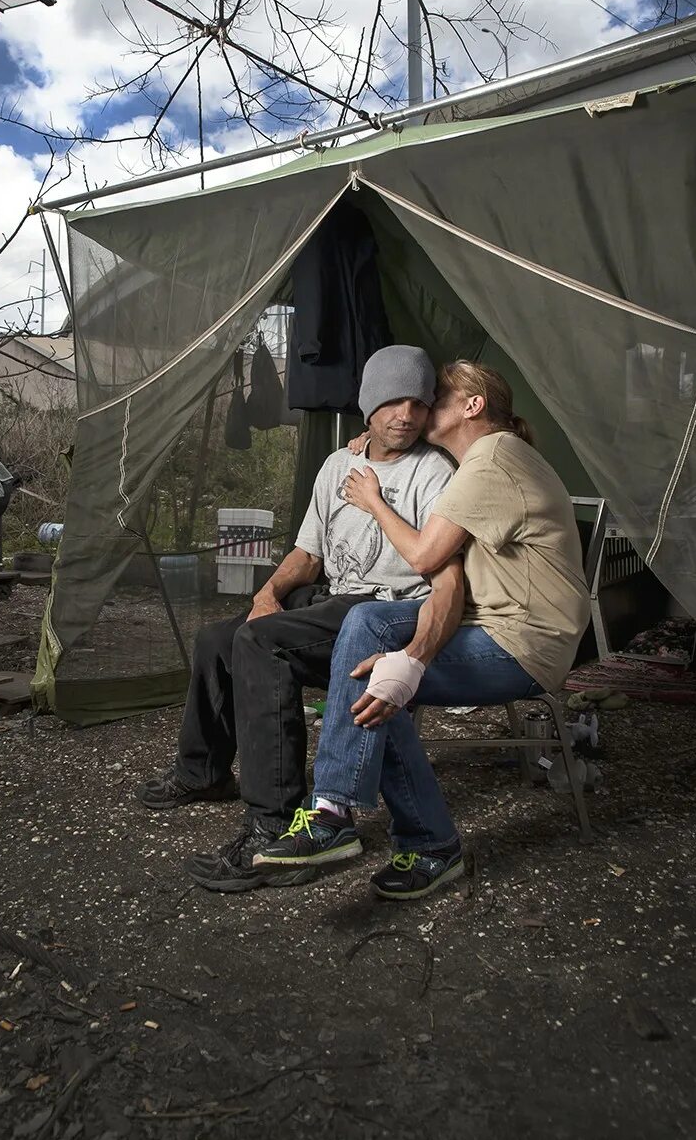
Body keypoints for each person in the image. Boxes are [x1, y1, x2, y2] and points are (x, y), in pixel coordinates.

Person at [253, 360, 590, 900]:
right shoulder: (483, 458)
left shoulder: (493, 461)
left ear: (471, 406)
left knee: (371, 672)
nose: (420, 409)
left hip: (522, 643)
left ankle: (356, 819)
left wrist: (374, 501)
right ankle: (381, 828)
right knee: (365, 629)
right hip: (491, 622)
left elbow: (424, 555)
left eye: (436, 398)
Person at [136, 345, 454, 893]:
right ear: (368, 405)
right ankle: (202, 771)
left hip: (385, 610)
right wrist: (269, 591)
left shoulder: (434, 470)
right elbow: (308, 555)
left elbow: (438, 567)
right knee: (219, 637)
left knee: (262, 646)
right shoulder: (337, 465)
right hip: (333, 595)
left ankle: (272, 824)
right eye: (394, 401)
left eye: (419, 404)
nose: (406, 414)